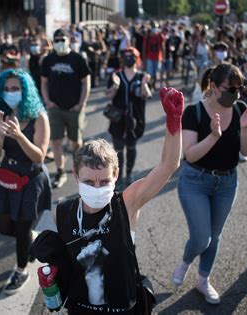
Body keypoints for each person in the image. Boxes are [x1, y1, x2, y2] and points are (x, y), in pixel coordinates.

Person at [52, 86, 183, 314]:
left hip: (124, 308)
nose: (97, 188)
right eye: (89, 183)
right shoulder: (62, 211)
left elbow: (169, 164)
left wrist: (174, 121)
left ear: (115, 175)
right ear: (76, 176)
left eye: (104, 182)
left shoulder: (127, 204)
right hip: (79, 308)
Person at [172, 64, 247, 304]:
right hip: (195, 180)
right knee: (201, 238)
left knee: (215, 236)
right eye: (229, 88)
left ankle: (203, 280)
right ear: (212, 86)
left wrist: (244, 128)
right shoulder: (194, 112)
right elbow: (190, 155)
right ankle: (186, 262)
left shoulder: (240, 109)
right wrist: (214, 135)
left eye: (238, 89)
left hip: (227, 182)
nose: (235, 94)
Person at [0, 69, 51, 293]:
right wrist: (0, 133)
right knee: (5, 227)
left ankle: (21, 270)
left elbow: (39, 156)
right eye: (6, 89)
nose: (10, 92)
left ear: (25, 90)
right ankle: (31, 238)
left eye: (15, 88)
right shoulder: (1, 114)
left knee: (22, 227)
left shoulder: (38, 116)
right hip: (8, 177)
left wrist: (19, 135)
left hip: (31, 178)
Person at [41, 28, 91, 189]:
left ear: (69, 40)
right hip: (55, 108)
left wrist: (81, 104)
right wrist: (47, 101)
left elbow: (86, 82)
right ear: (53, 42)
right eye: (57, 40)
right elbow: (44, 83)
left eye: (63, 39)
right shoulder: (48, 59)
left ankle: (78, 169)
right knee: (55, 141)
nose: (60, 42)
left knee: (75, 143)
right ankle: (60, 171)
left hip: (74, 108)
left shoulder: (77, 58)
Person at [106, 47, 151, 188]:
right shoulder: (116, 75)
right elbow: (109, 95)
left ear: (137, 59)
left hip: (135, 120)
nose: (128, 58)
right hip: (118, 119)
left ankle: (129, 173)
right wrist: (116, 85)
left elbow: (147, 95)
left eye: (132, 56)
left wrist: (144, 84)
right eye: (126, 56)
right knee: (118, 150)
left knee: (131, 148)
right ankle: (118, 177)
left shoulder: (142, 76)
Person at [143, 22, 164, 90]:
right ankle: (151, 86)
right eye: (153, 27)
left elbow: (163, 46)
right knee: (150, 74)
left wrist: (163, 56)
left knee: (156, 74)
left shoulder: (160, 36)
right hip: (149, 57)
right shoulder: (147, 36)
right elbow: (144, 47)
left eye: (155, 27)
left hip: (158, 57)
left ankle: (153, 85)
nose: (154, 29)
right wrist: (144, 59)